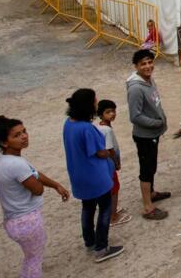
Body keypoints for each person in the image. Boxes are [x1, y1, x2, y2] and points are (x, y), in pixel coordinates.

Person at [0, 115, 70, 278]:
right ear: (4, 142)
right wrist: (43, 185)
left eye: (24, 131)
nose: (24, 136)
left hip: (13, 219)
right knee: (34, 261)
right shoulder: (16, 164)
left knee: (30, 258)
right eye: (17, 135)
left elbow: (33, 173)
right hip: (27, 221)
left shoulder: (2, 159)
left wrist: (55, 185)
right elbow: (37, 189)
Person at [62, 89, 124, 262]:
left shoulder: (68, 124)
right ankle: (102, 247)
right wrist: (110, 155)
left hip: (79, 174)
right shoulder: (86, 128)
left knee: (87, 208)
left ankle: (89, 241)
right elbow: (101, 152)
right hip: (95, 175)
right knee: (104, 209)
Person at [125, 49, 169, 220]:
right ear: (136, 66)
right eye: (143, 63)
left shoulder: (149, 81)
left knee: (152, 167)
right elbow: (134, 116)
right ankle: (148, 207)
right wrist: (157, 123)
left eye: (150, 62)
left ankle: (151, 193)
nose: (148, 66)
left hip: (153, 133)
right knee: (146, 169)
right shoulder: (136, 88)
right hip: (144, 135)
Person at [96, 100, 130, 226]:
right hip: (109, 164)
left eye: (113, 111)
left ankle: (112, 210)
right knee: (114, 188)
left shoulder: (99, 127)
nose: (112, 114)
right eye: (108, 112)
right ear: (101, 114)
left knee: (111, 187)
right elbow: (110, 149)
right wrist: (116, 162)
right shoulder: (107, 130)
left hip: (104, 165)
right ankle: (113, 216)